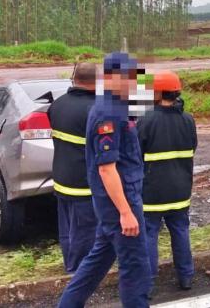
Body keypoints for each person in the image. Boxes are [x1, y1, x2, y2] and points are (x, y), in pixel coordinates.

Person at [58, 53, 150, 308]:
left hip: (119, 198)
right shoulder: (107, 113)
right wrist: (125, 212)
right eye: (132, 78)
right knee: (136, 267)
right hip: (119, 202)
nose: (136, 84)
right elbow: (106, 169)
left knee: (97, 261)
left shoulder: (118, 106)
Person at [139, 70, 197, 292]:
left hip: (152, 192)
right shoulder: (188, 120)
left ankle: (148, 284)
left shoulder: (146, 121)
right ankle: (186, 277)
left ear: (157, 93)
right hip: (181, 190)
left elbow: (137, 155)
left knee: (149, 236)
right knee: (181, 232)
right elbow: (192, 148)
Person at [47, 62, 98, 273]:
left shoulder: (57, 105)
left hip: (61, 178)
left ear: (74, 79)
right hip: (84, 183)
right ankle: (79, 271)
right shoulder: (96, 109)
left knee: (67, 229)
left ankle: (70, 264)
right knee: (85, 231)